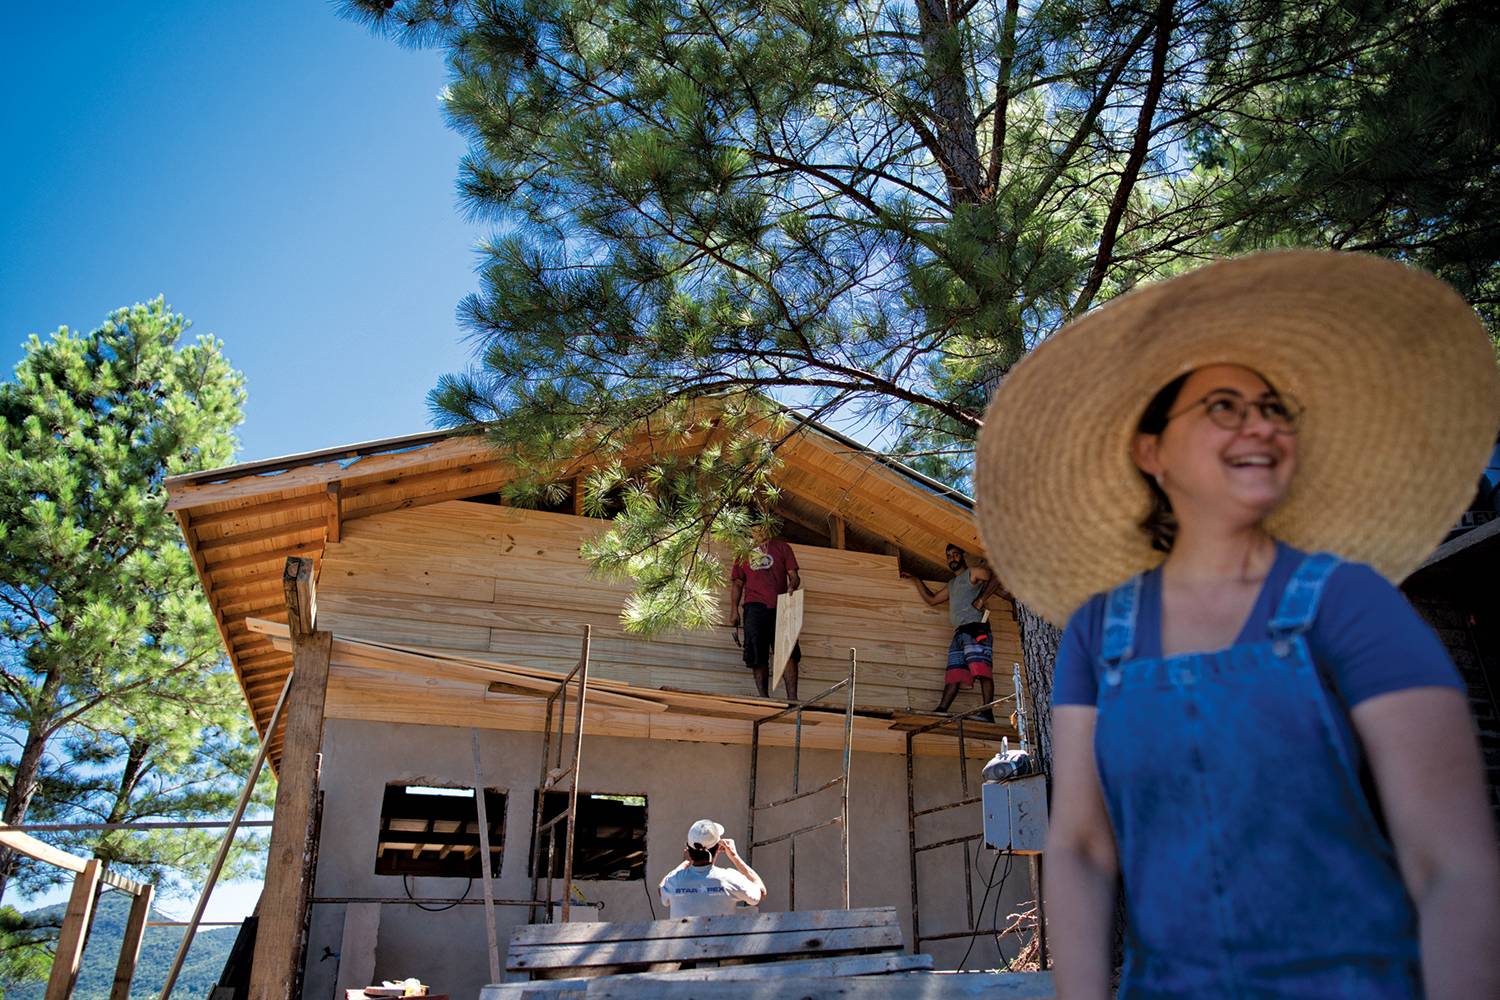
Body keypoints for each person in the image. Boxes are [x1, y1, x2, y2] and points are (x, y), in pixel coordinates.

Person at [973, 250, 1500, 998]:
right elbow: (1084, 849)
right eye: (1224, 406)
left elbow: (1450, 863)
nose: (1261, 426)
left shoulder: (1349, 603)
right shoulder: (1098, 635)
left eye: (1274, 409)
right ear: (1150, 451)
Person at [904, 544, 1001, 720]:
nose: (952, 558)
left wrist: (981, 599)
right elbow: (932, 600)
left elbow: (997, 575)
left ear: (963, 556)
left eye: (955, 554)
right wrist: (916, 579)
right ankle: (942, 709)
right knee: (954, 672)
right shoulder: (952, 584)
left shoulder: (972, 573)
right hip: (960, 632)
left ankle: (988, 712)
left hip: (976, 628)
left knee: (982, 669)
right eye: (949, 556)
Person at [729, 523, 801, 700]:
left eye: (762, 526)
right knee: (757, 654)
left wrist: (792, 586)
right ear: (749, 530)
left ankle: (793, 699)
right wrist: (734, 610)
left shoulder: (782, 548)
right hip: (754, 607)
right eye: (754, 527)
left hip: (782, 605)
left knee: (788, 651)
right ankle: (764, 698)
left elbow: (794, 576)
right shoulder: (743, 552)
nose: (758, 530)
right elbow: (737, 583)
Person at [658, 819, 767, 918]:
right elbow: (761, 893)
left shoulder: (675, 881)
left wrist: (686, 862)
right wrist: (734, 857)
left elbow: (661, 889)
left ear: (688, 848)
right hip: (720, 940)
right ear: (718, 847)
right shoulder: (729, 878)